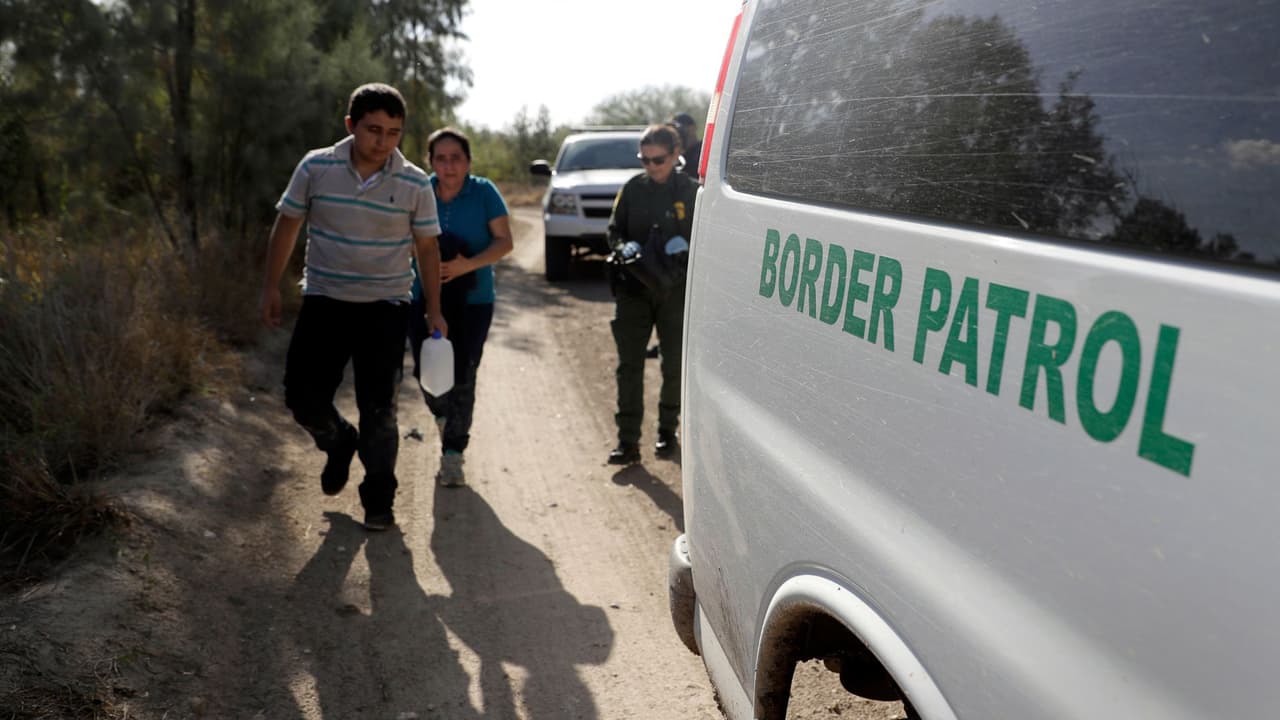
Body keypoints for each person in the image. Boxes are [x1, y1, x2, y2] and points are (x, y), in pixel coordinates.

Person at [259, 82, 445, 531]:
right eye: (373, 130)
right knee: (302, 398)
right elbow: (287, 226)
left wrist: (433, 308)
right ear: (351, 125)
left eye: (393, 132)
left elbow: (427, 249)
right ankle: (339, 442)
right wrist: (270, 287)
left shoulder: (415, 182)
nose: (382, 142)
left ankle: (379, 501)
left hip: (385, 306)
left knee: (379, 409)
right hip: (325, 301)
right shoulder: (316, 167)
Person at [407, 127, 513, 487]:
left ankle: (453, 454)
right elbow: (405, 240)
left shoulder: (484, 193)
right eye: (441, 158)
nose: (449, 166)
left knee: (464, 375)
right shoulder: (420, 191)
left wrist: (466, 265)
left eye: (456, 158)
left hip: (474, 301)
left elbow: (504, 242)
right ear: (430, 161)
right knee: (428, 375)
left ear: (468, 161)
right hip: (422, 297)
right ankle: (444, 415)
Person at [605, 124, 698, 465]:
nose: (651, 166)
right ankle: (627, 441)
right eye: (644, 160)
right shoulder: (633, 189)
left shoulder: (691, 192)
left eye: (658, 159)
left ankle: (667, 430)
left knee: (673, 364)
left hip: (675, 292)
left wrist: (689, 246)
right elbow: (613, 230)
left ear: (675, 155)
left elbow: (710, 234)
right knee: (629, 366)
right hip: (635, 289)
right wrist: (621, 246)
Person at [670, 112, 704, 182]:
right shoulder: (675, 154)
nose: (678, 133)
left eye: (681, 129)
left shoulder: (703, 151)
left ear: (692, 128)